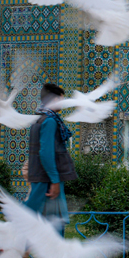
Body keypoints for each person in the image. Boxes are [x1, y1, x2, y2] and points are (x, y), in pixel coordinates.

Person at [26, 83, 77, 231]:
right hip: (47, 180)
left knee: (35, 220)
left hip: (42, 178)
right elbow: (45, 153)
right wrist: (54, 180)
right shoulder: (50, 121)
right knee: (48, 222)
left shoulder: (40, 119)